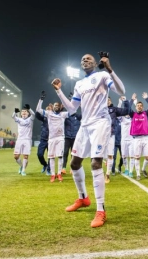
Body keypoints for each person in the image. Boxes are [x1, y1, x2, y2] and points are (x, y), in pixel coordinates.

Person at [52, 52, 125, 228]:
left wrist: (110, 69)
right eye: (83, 59)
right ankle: (83, 198)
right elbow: (71, 109)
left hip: (100, 122)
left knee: (95, 163)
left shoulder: (102, 75)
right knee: (74, 164)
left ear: (95, 63)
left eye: (89, 58)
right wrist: (59, 91)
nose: (85, 60)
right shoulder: (79, 83)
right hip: (85, 125)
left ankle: (101, 210)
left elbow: (122, 91)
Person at [36, 99, 69, 183]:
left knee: (60, 156)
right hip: (51, 138)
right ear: (53, 107)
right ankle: (53, 175)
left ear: (60, 107)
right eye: (55, 105)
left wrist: (67, 102)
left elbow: (72, 111)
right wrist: (41, 100)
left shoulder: (63, 114)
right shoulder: (49, 113)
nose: (56, 106)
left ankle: (59, 174)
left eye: (57, 105)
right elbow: (38, 110)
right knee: (51, 157)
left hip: (60, 137)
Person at [128, 92, 148, 180]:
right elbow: (127, 108)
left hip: (146, 138)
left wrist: (147, 98)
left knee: (147, 157)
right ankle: (138, 174)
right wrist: (132, 99)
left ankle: (143, 169)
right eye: (138, 105)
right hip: (136, 139)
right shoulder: (133, 114)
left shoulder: (145, 114)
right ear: (136, 107)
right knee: (137, 157)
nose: (139, 106)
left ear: (142, 107)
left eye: (140, 105)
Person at [104, 96, 129, 183]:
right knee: (98, 156)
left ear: (110, 102)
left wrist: (125, 101)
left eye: (109, 100)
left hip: (111, 135)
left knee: (110, 155)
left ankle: (107, 174)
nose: (107, 101)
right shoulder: (98, 109)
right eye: (105, 100)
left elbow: (126, 110)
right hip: (100, 135)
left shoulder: (114, 109)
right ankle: (98, 173)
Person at [12, 104, 35, 176]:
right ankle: (22, 166)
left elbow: (34, 114)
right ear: (21, 113)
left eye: (25, 111)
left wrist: (30, 108)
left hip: (27, 140)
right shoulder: (19, 119)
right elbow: (13, 116)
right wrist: (15, 112)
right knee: (16, 156)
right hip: (19, 139)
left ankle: (23, 170)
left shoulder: (30, 119)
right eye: (22, 111)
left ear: (28, 113)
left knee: (25, 156)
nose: (24, 112)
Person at [35, 100, 52, 175]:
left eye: (50, 109)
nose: (48, 110)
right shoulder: (43, 118)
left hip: (51, 139)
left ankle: (49, 169)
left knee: (50, 156)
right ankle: (45, 165)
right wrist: (40, 101)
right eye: (47, 109)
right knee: (39, 154)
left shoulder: (56, 118)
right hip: (43, 139)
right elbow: (37, 114)